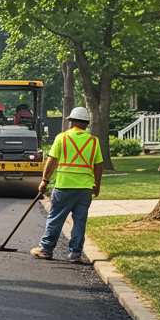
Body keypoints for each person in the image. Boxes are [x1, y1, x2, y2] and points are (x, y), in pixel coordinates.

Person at [31, 106, 104, 264]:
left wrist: (44, 180)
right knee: (80, 222)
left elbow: (52, 161)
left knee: (56, 219)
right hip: (85, 189)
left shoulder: (62, 138)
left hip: (64, 186)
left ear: (71, 122)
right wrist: (97, 185)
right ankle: (75, 254)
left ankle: (46, 249)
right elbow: (98, 165)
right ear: (86, 123)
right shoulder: (94, 141)